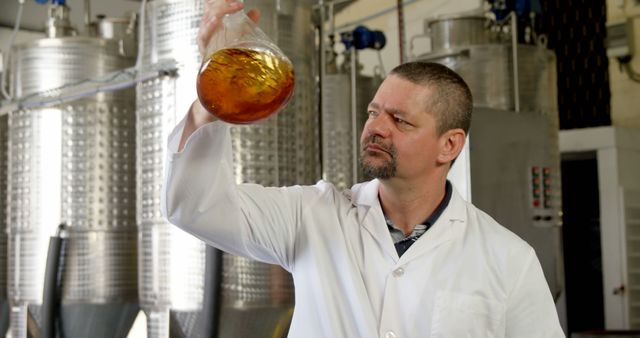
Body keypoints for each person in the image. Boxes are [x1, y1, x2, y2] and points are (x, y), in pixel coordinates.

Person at [162, 1, 565, 337]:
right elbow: (195, 206)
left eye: (399, 120)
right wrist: (211, 97)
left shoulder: (508, 259)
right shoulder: (312, 216)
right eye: (373, 112)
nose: (375, 127)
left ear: (450, 144)